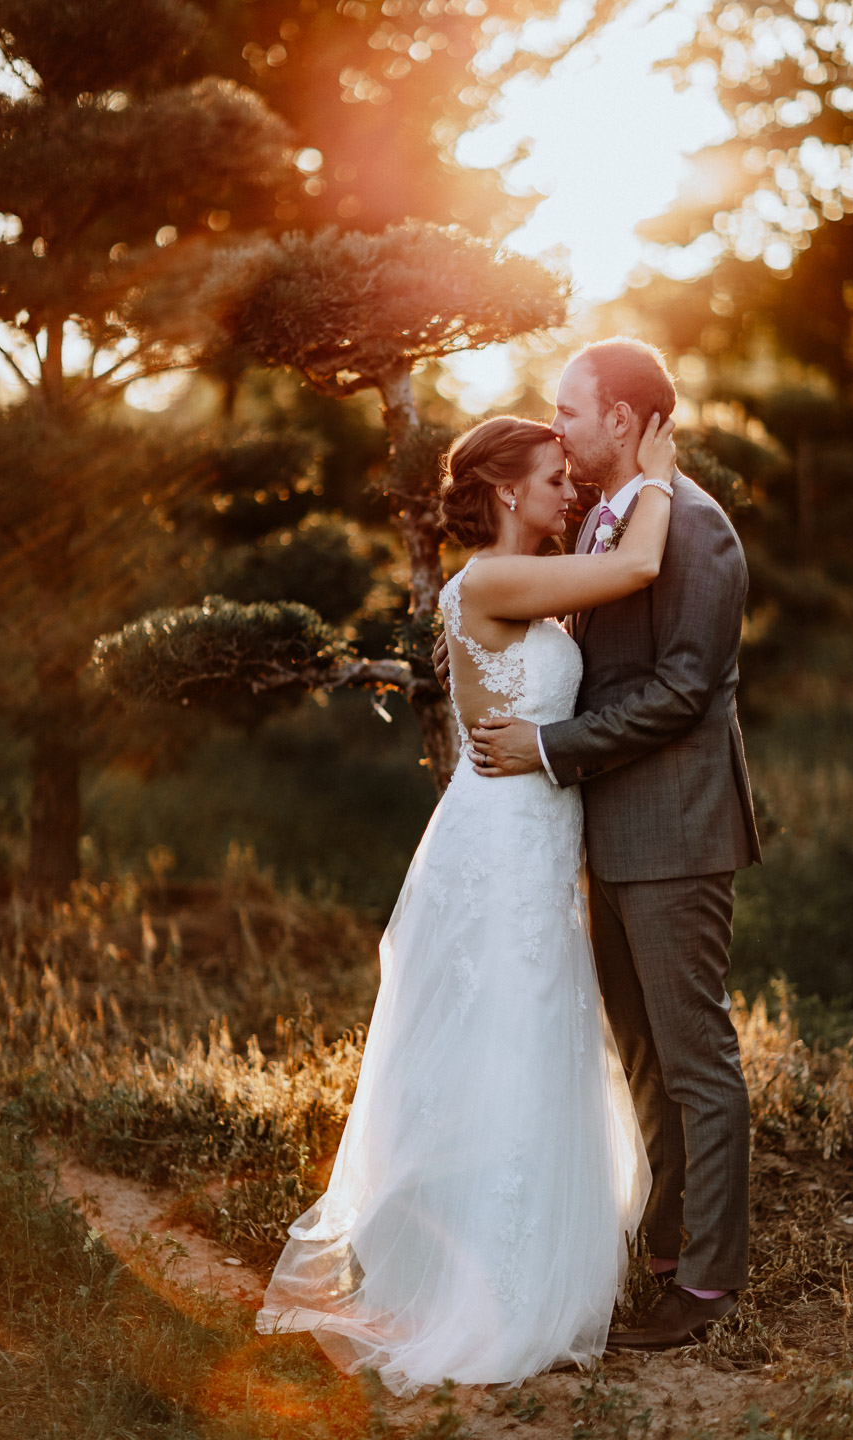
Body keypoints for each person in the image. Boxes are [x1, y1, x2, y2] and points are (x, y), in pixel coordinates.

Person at [256, 411, 678, 1394]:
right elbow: (635, 569)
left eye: (573, 479)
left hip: (536, 835)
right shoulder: (488, 581)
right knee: (505, 1035)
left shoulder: (530, 588)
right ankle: (486, 1290)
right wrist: (653, 475)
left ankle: (523, 1269)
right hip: (499, 843)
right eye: (552, 477)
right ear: (502, 491)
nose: (568, 491)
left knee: (536, 1038)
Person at [467, 339, 761, 1351]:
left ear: (625, 423)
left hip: (676, 831)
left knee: (696, 1061)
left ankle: (711, 1285)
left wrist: (549, 745)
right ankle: (670, 1248)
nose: (560, 429)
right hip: (605, 833)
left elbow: (684, 691)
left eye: (572, 412)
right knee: (643, 1060)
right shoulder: (604, 522)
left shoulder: (699, 534)